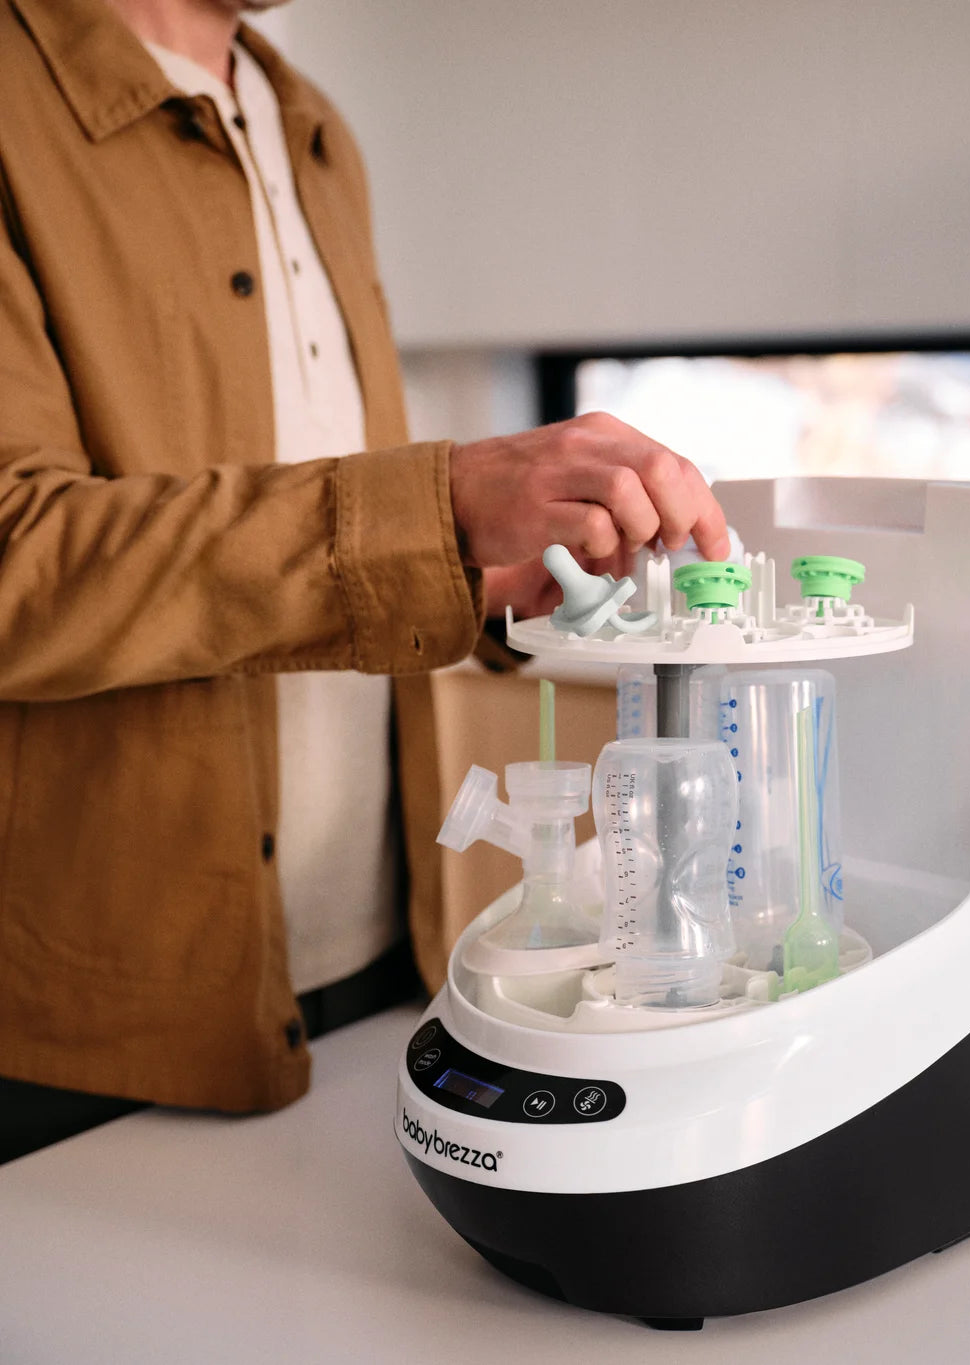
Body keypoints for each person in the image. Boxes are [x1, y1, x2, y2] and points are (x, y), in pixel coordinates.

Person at [0, 0, 729, 1161]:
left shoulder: (313, 131)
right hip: (87, 1029)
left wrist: (473, 572)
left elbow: (339, 546)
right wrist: (430, 503)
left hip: (377, 961)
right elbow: (15, 563)